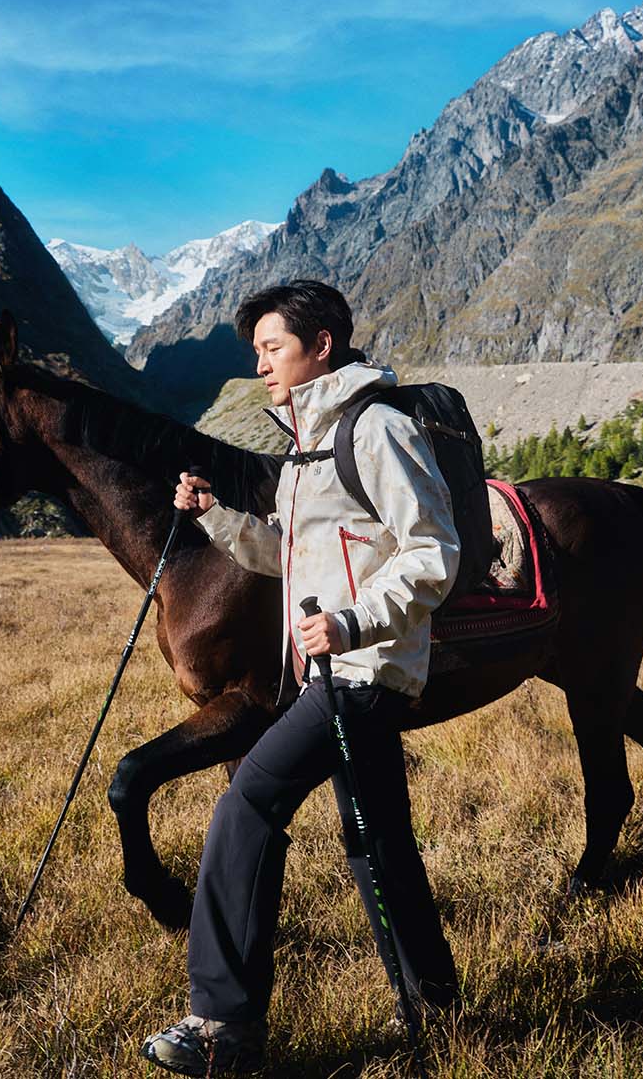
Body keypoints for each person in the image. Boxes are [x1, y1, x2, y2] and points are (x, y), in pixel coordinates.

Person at [141, 279, 461, 1076]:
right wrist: (216, 516)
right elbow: (288, 553)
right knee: (380, 844)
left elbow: (434, 553)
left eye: (273, 349)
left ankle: (225, 1025)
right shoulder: (305, 450)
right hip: (336, 670)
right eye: (257, 354)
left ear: (321, 346)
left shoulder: (377, 429)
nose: (262, 368)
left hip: (363, 671)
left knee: (245, 807)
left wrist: (353, 623)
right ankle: (439, 1011)